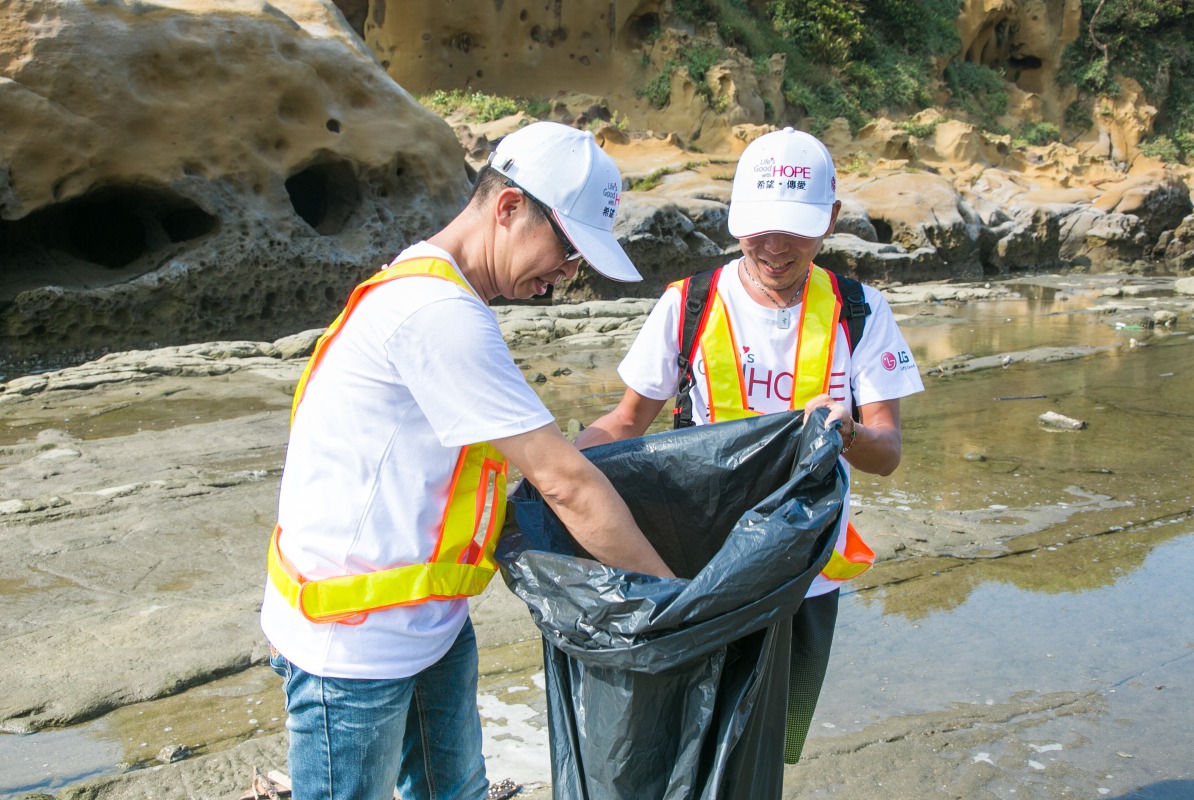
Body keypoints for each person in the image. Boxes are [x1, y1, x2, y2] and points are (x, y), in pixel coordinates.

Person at [260, 120, 674, 800]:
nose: (568, 277)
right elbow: (565, 484)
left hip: (425, 618)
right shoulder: (438, 312)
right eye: (568, 251)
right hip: (356, 645)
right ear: (509, 208)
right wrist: (674, 604)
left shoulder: (432, 286)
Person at [575, 126, 923, 762]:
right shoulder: (690, 304)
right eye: (758, 227)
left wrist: (846, 432)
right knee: (694, 742)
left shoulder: (861, 311)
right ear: (735, 220)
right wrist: (552, 476)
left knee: (772, 746)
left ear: (831, 219)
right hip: (703, 570)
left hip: (807, 577)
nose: (774, 246)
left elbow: (888, 452)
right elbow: (626, 422)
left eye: (794, 228)